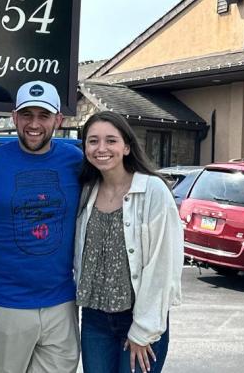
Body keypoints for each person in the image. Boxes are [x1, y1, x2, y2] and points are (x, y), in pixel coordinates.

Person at [0, 80, 83, 373]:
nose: (34, 124)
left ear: (58, 120)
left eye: (43, 115)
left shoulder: (76, 161)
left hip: (62, 302)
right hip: (8, 303)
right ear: (14, 117)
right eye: (27, 114)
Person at [75, 111, 183, 373]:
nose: (101, 148)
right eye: (93, 141)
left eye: (111, 140)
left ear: (126, 147)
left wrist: (143, 329)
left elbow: (163, 263)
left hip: (138, 318)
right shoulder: (86, 190)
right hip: (94, 319)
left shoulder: (152, 190)